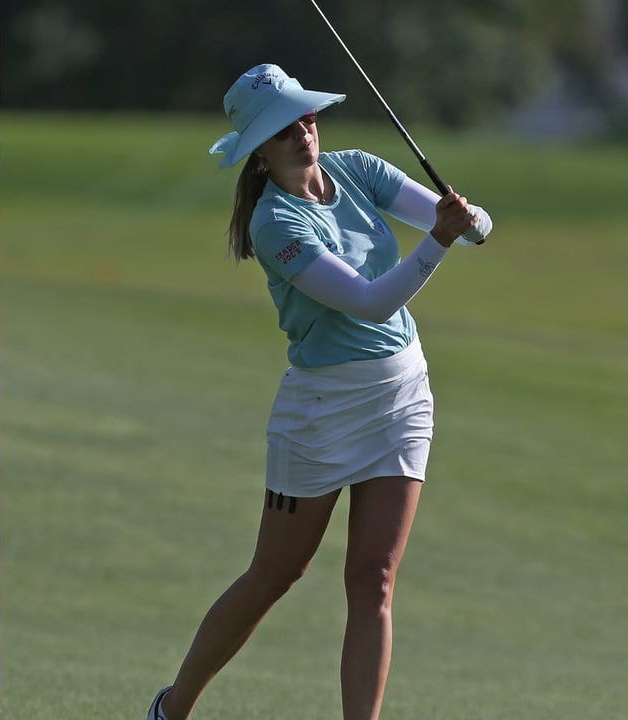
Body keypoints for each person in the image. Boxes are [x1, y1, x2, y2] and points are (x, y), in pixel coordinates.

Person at [144, 64, 491, 720]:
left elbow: (475, 226)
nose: (303, 132)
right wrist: (443, 240)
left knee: (374, 582)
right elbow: (368, 304)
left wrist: (469, 220)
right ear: (260, 153)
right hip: (321, 415)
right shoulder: (273, 227)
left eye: (305, 117)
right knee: (275, 576)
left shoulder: (358, 168)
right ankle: (172, 709)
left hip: (403, 398)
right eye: (283, 128)